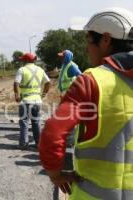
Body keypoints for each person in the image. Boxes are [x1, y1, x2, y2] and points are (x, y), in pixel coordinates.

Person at [39, 7, 133, 199]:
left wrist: (55, 174)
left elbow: (53, 133)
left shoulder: (92, 80)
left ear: (105, 40)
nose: (85, 48)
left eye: (89, 41)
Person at [14, 52, 50, 149]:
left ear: (25, 60)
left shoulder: (22, 70)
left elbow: (16, 83)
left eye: (23, 60)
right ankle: (38, 144)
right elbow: (48, 83)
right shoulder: (40, 70)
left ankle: (23, 144)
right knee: (36, 122)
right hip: (37, 101)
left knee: (24, 122)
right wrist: (43, 95)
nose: (22, 62)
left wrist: (17, 96)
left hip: (25, 101)